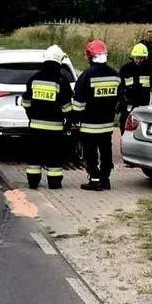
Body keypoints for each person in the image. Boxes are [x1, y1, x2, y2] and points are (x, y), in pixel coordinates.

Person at [72, 39, 122, 191]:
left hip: (89, 125)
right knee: (106, 152)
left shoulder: (87, 75)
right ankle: (105, 180)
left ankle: (94, 180)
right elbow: (121, 99)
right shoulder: (115, 75)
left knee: (90, 153)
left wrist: (75, 118)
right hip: (107, 125)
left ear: (89, 56)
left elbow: (78, 102)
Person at [21, 45, 74, 189]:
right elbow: (67, 107)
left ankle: (33, 182)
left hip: (35, 128)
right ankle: (54, 183)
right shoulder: (61, 80)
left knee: (34, 157)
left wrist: (31, 116)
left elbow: (25, 102)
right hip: (55, 129)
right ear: (59, 61)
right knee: (54, 157)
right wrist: (68, 122)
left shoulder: (34, 79)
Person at [118, 43, 152, 134]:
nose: (138, 60)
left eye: (141, 58)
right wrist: (121, 102)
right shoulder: (125, 69)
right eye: (136, 57)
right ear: (132, 56)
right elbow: (119, 88)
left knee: (141, 129)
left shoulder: (150, 70)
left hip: (143, 105)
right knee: (124, 126)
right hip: (128, 105)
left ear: (145, 58)